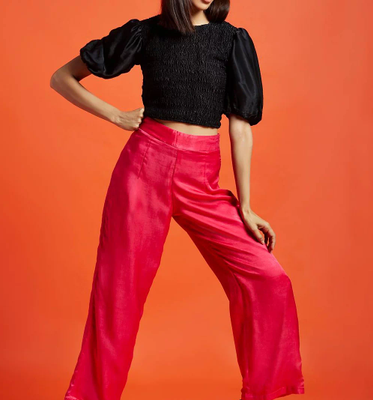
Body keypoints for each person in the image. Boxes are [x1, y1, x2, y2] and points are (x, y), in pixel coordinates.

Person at [50, 1, 305, 400]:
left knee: (268, 278)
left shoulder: (232, 40)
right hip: (144, 168)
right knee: (117, 294)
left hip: (201, 178)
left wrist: (246, 206)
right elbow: (62, 78)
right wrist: (115, 115)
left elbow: (240, 129)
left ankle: (264, 391)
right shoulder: (145, 33)